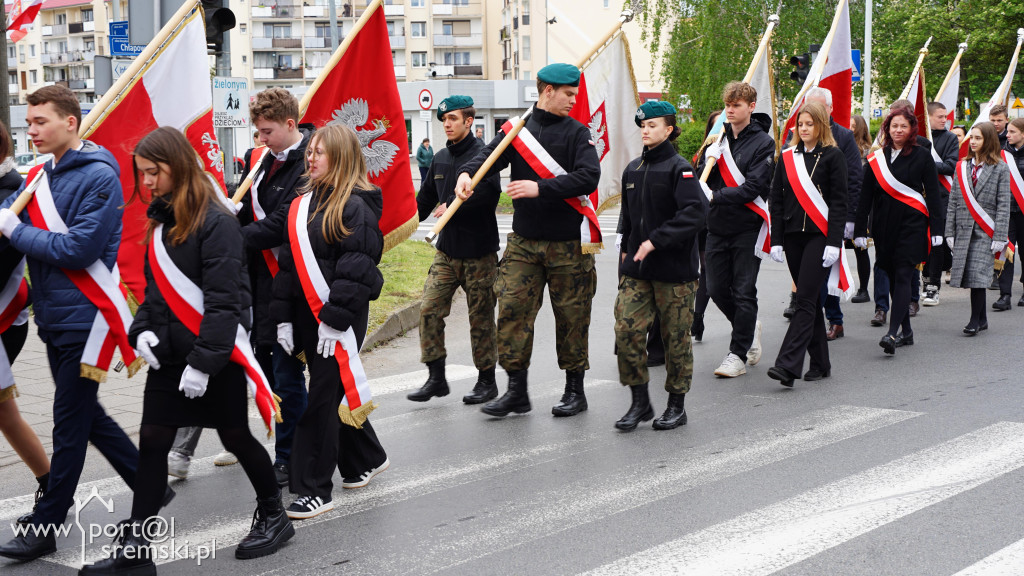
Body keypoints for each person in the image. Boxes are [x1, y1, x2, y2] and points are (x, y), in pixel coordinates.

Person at [82, 127, 296, 574]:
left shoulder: (217, 223)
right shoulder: (163, 220)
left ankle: (274, 514)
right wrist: (141, 332)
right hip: (170, 358)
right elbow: (155, 294)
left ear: (176, 167)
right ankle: (137, 548)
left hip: (211, 358)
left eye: (152, 173)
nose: (146, 184)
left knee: (235, 436)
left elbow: (227, 302)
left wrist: (203, 364)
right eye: (141, 174)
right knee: (154, 442)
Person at [0, 86, 159, 562]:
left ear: (72, 121)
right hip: (54, 316)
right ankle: (148, 484)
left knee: (69, 424)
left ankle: (48, 521)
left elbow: (78, 250)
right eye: (28, 122)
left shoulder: (100, 176)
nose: (31, 130)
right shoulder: (41, 175)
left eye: (41, 121)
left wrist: (14, 229)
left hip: (88, 320)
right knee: (88, 416)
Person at [455, 63, 601, 418]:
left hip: (567, 244)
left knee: (571, 317)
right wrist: (465, 174)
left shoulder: (578, 134)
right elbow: (485, 157)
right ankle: (516, 391)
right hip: (523, 244)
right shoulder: (518, 129)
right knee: (512, 313)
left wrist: (542, 188)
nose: (573, 100)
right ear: (547, 90)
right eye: (568, 94)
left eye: (575, 94)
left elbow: (589, 177)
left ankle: (574, 391)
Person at [272, 124, 389, 519]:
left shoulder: (355, 205)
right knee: (331, 391)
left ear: (340, 157)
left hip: (339, 318)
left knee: (320, 400)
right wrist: (283, 319)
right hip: (307, 315)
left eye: (319, 152)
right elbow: (288, 267)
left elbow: (356, 271)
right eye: (310, 152)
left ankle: (313, 488)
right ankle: (364, 458)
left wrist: (335, 321)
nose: (310, 157)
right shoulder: (302, 203)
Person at [614, 101, 705, 432]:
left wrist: (656, 240)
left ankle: (676, 406)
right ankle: (640, 402)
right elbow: (628, 216)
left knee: (675, 340)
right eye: (643, 125)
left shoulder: (679, 168)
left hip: (674, 272)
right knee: (626, 332)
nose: (645, 130)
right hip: (637, 272)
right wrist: (625, 250)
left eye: (652, 125)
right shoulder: (633, 168)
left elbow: (695, 212)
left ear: (668, 129)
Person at [408, 95, 501, 404]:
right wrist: (395, 219)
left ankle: (486, 381)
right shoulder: (439, 158)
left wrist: (454, 205)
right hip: (447, 253)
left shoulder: (484, 155)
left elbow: (489, 196)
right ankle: (436, 378)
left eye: (453, 119)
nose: (447, 124)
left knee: (481, 320)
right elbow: (422, 204)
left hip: (479, 253)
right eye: (443, 120)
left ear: (468, 121)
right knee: (429, 310)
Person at [696, 81, 775, 378]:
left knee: (743, 291)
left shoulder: (763, 143)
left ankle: (737, 354)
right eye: (728, 104)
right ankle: (748, 326)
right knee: (716, 289)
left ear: (751, 107)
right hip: (717, 226)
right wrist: (710, 157)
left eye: (737, 105)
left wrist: (716, 196)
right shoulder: (717, 138)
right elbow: (703, 176)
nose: (730, 110)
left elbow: (754, 187)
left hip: (747, 226)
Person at [767, 102, 848, 386]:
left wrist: (834, 242)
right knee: (810, 300)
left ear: (821, 126)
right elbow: (775, 200)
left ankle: (788, 365)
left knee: (803, 299)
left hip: (819, 236)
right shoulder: (787, 157)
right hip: (792, 237)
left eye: (809, 124)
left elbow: (839, 202)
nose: (804, 128)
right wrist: (776, 240)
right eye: (800, 124)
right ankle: (821, 362)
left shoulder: (833, 156)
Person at [854, 107, 942, 355]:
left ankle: (892, 333)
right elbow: (865, 196)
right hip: (884, 225)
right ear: (887, 129)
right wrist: (860, 229)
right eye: (894, 126)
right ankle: (907, 331)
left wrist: (937, 228)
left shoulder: (922, 156)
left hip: (912, 223)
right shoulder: (877, 157)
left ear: (912, 129)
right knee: (892, 275)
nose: (898, 130)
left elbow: (933, 194)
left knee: (904, 274)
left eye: (903, 126)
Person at [0, 121, 50, 527]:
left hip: (5, 320)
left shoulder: (12, 193)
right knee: (5, 415)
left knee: (6, 413)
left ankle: (53, 488)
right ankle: (51, 484)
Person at [798, 88, 862, 343]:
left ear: (830, 109)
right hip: (803, 217)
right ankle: (813, 317)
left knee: (827, 270)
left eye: (818, 107)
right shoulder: (799, 135)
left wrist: (849, 218)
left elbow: (854, 178)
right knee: (809, 275)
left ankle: (833, 319)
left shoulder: (843, 137)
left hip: (829, 217)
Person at [945, 122, 1012, 335]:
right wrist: (949, 232)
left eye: (978, 138)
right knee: (973, 276)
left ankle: (974, 319)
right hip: (964, 229)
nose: (972, 141)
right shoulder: (962, 166)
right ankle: (982, 319)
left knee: (977, 276)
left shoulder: (1000, 167)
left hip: (986, 230)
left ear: (989, 140)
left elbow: (1003, 203)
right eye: (971, 137)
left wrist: (1000, 235)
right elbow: (954, 200)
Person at [921, 101, 960, 307]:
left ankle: (933, 287)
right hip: (918, 198)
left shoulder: (950, 138)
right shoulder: (918, 138)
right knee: (922, 243)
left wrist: (925, 164)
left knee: (936, 242)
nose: (945, 120)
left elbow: (950, 166)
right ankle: (924, 280)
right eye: (940, 116)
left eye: (945, 116)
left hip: (941, 199)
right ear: (928, 117)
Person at [689, 109, 721, 342]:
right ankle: (697, 317)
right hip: (701, 218)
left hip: (719, 216)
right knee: (702, 270)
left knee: (711, 271)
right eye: (713, 127)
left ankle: (697, 315)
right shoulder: (702, 154)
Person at [995, 118, 1024, 308]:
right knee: (1005, 250)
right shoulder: (1001, 154)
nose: (1008, 135)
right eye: (1008, 131)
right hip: (1006, 211)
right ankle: (1005, 295)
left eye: (1012, 132)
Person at [850, 115, 874, 304]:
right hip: (843, 202)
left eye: (852, 126)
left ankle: (864, 289)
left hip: (861, 203)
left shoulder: (867, 151)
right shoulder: (839, 145)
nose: (848, 129)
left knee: (860, 247)